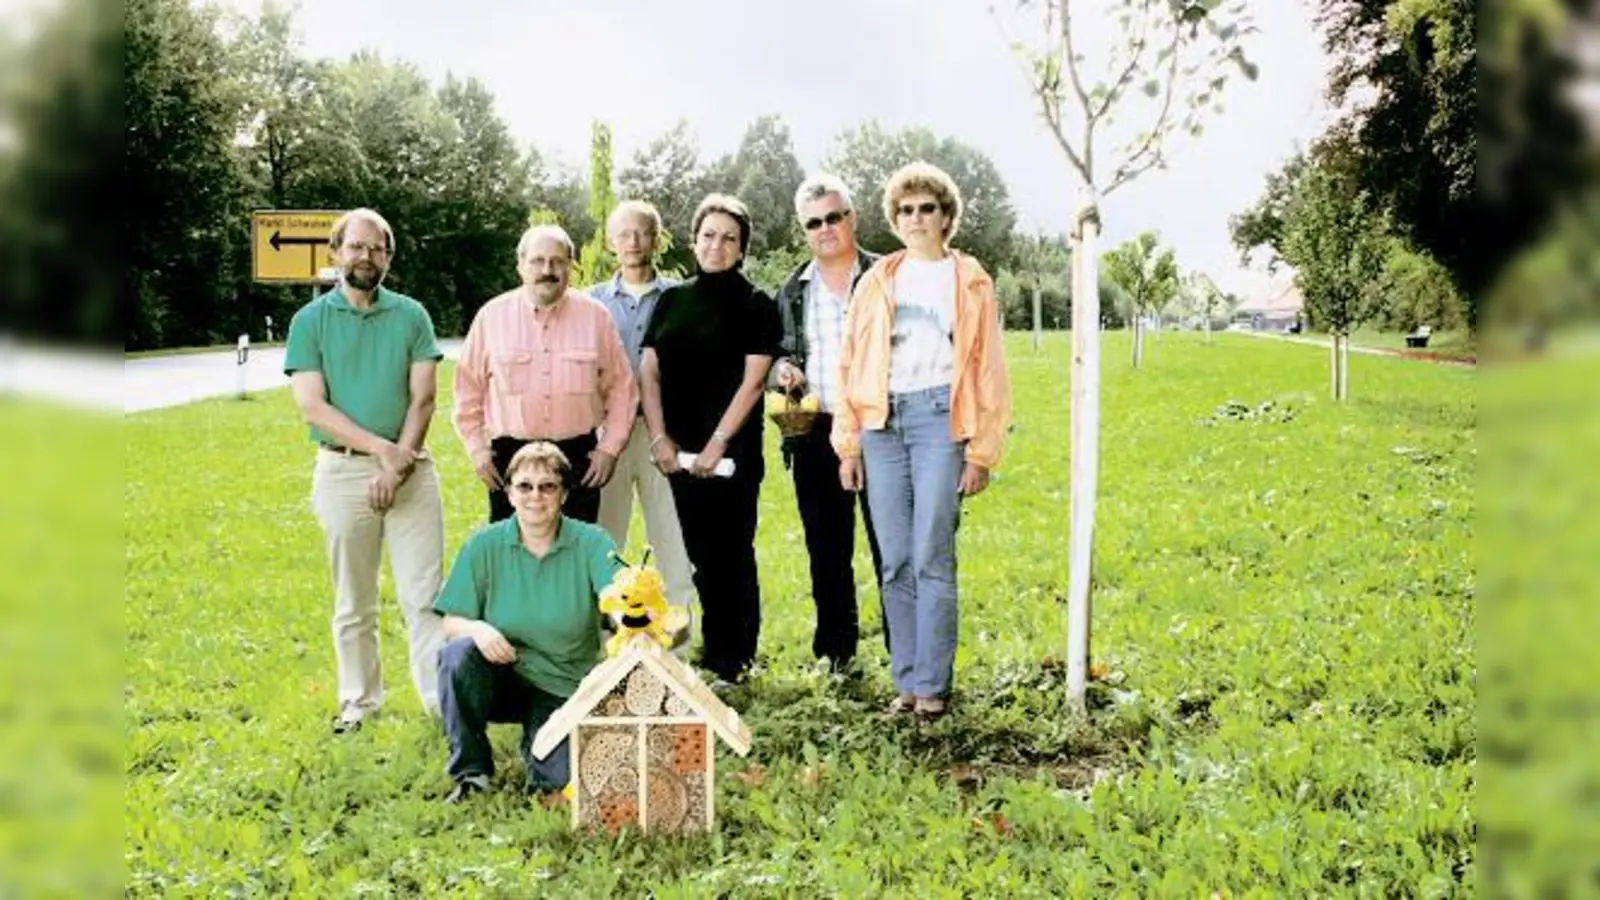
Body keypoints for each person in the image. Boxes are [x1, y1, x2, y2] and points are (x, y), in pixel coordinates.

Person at [833, 161, 1013, 719]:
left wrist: (981, 450)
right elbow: (851, 364)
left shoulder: (970, 280)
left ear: (946, 216)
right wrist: (850, 442)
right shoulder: (878, 280)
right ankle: (906, 681)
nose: (915, 218)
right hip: (882, 425)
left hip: (940, 418)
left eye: (926, 209)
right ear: (894, 217)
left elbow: (988, 369)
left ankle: (933, 686)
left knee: (932, 555)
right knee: (894, 560)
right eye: (905, 209)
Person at [283, 207, 447, 733]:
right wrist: (381, 451)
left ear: (388, 258)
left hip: (411, 472)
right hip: (344, 473)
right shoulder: (309, 322)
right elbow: (313, 406)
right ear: (335, 253)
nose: (366, 257)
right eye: (356, 247)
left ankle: (438, 705)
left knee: (424, 595)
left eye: (377, 249)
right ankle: (359, 703)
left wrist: (397, 465)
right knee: (354, 599)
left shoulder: (411, 316)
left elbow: (423, 400)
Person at [639, 193, 782, 688]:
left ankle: (735, 660)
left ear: (741, 249)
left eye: (728, 238)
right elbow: (649, 372)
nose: (716, 246)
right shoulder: (671, 300)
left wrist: (719, 442)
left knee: (732, 553)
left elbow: (754, 381)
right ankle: (714, 650)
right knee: (699, 554)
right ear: (694, 240)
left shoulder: (757, 304)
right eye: (708, 235)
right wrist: (658, 437)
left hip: (731, 453)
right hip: (676, 452)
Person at [432, 442, 623, 803]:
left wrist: (631, 616)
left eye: (548, 486)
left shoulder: (592, 542)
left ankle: (539, 750)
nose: (536, 496)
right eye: (524, 486)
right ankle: (471, 773)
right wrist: (478, 628)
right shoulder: (483, 545)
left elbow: (618, 598)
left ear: (564, 494)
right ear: (509, 493)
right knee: (457, 654)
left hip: (562, 685)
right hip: (499, 676)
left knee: (560, 784)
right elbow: (451, 619)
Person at [770, 173, 885, 673]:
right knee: (826, 547)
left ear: (852, 219)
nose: (825, 229)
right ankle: (837, 653)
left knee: (892, 546)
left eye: (833, 217)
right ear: (804, 230)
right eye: (813, 222)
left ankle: (907, 654)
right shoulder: (792, 290)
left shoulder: (887, 276)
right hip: (817, 429)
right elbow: (777, 356)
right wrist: (781, 370)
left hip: (883, 425)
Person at [452, 224, 635, 524]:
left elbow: (622, 389)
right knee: (512, 559)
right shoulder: (491, 317)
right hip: (510, 459)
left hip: (579, 460)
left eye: (557, 261)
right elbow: (467, 393)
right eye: (537, 261)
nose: (547, 270)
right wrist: (477, 450)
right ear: (521, 266)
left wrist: (608, 449)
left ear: (570, 267)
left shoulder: (596, 317)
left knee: (577, 560)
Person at [586, 201, 696, 647]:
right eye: (624, 234)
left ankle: (681, 647)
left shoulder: (678, 298)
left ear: (656, 239)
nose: (633, 242)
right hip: (606, 436)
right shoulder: (590, 302)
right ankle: (606, 646)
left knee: (672, 540)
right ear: (611, 243)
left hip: (661, 435)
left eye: (642, 233)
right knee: (605, 539)